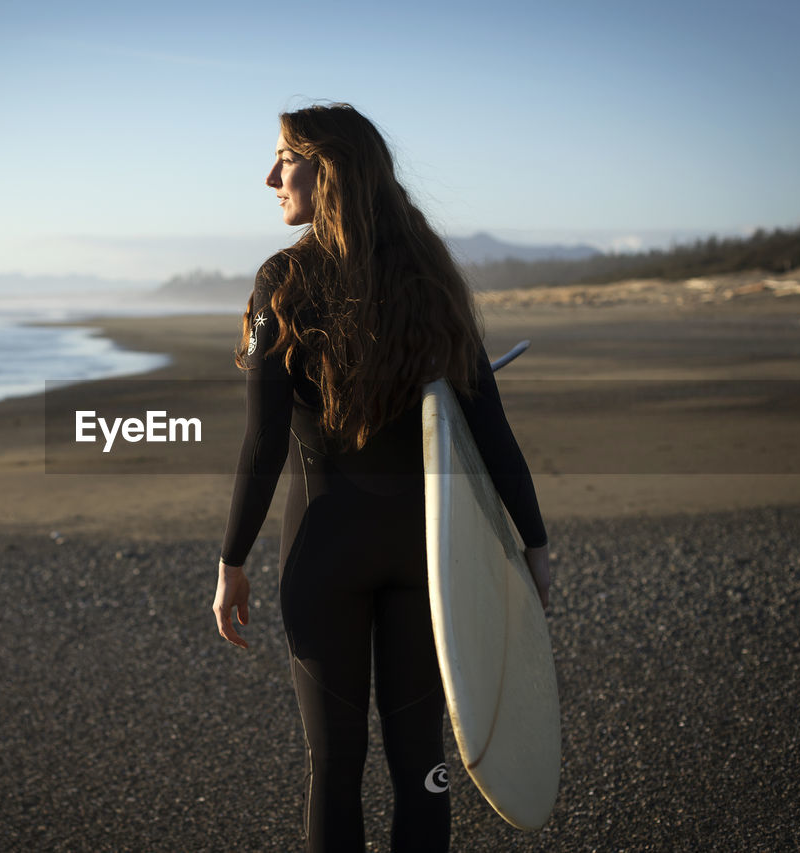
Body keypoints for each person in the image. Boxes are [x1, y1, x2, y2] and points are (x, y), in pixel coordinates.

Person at [210, 103, 552, 852]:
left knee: (334, 766)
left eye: (286, 158)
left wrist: (232, 560)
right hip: (425, 557)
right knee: (420, 762)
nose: (270, 176)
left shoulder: (283, 278)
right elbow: (488, 425)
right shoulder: (427, 277)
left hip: (324, 553)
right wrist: (533, 544)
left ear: (327, 169)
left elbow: (265, 441)